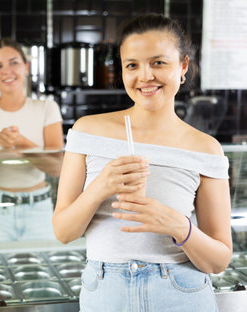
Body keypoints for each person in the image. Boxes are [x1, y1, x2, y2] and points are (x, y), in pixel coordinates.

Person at [52, 13, 232, 312]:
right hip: (105, 291)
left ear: (183, 66)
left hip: (180, 292)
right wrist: (100, 187)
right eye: (132, 65)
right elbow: (63, 232)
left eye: (158, 62)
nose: (145, 76)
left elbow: (218, 260)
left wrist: (177, 225)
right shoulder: (86, 131)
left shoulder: (206, 148)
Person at [0, 38, 64, 242]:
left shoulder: (47, 108)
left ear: (26, 67)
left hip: (39, 212)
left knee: (42, 273)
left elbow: (57, 168)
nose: (7, 71)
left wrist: (21, 144)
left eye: (14, 63)